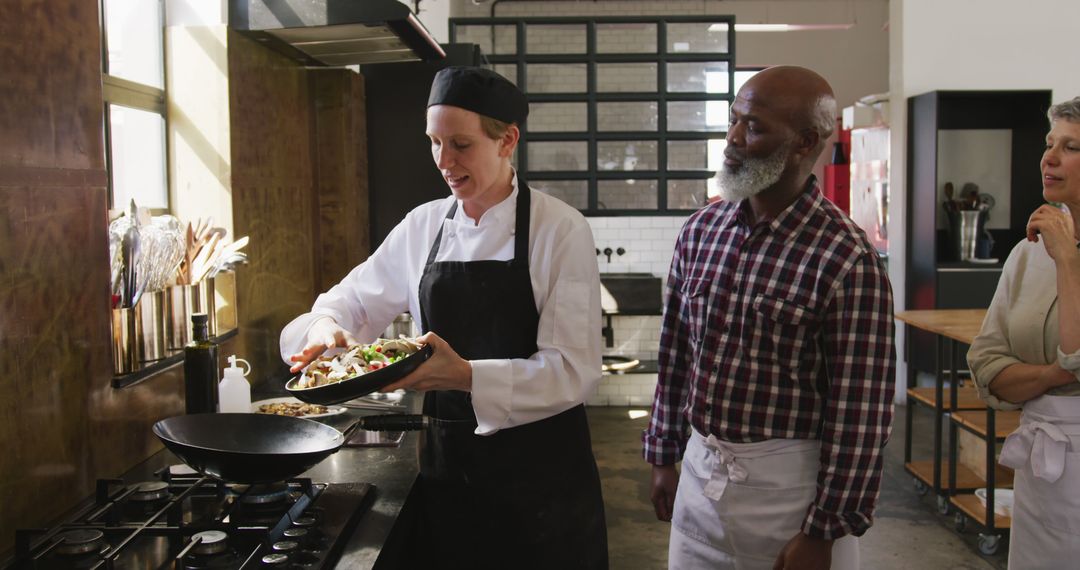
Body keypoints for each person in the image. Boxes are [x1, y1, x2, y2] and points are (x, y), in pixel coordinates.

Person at [279, 66, 608, 569]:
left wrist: (466, 375)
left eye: (460, 144)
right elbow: (343, 305)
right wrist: (325, 329)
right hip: (448, 475)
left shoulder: (559, 230)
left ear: (507, 140)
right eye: (434, 143)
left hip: (544, 486)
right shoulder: (423, 225)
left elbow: (572, 370)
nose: (443, 161)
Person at [642, 66, 896, 570]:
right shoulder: (702, 231)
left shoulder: (845, 259)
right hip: (699, 475)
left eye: (753, 127)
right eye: (734, 120)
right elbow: (674, 355)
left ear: (805, 142)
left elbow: (861, 414)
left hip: (791, 498)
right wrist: (664, 453)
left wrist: (824, 530)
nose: (733, 139)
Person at [967, 96, 1080, 568]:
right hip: (1040, 465)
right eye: (1049, 142)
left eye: (1070, 146)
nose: (1048, 158)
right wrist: (1056, 376)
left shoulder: (1055, 252)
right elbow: (986, 366)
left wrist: (1068, 261)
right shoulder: (1027, 252)